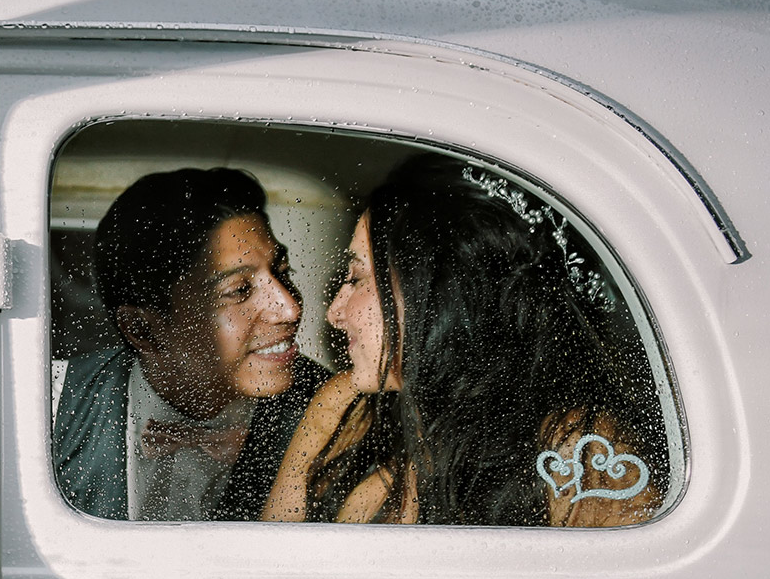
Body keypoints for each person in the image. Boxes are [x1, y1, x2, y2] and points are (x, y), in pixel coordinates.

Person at [262, 154, 665, 527]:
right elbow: (266, 565)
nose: (334, 312)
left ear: (442, 296)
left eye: (357, 278)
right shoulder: (344, 405)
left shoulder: (578, 451)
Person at [52, 167, 323, 521]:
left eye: (282, 272)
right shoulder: (51, 405)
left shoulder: (330, 410)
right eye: (239, 290)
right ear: (141, 330)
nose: (289, 307)